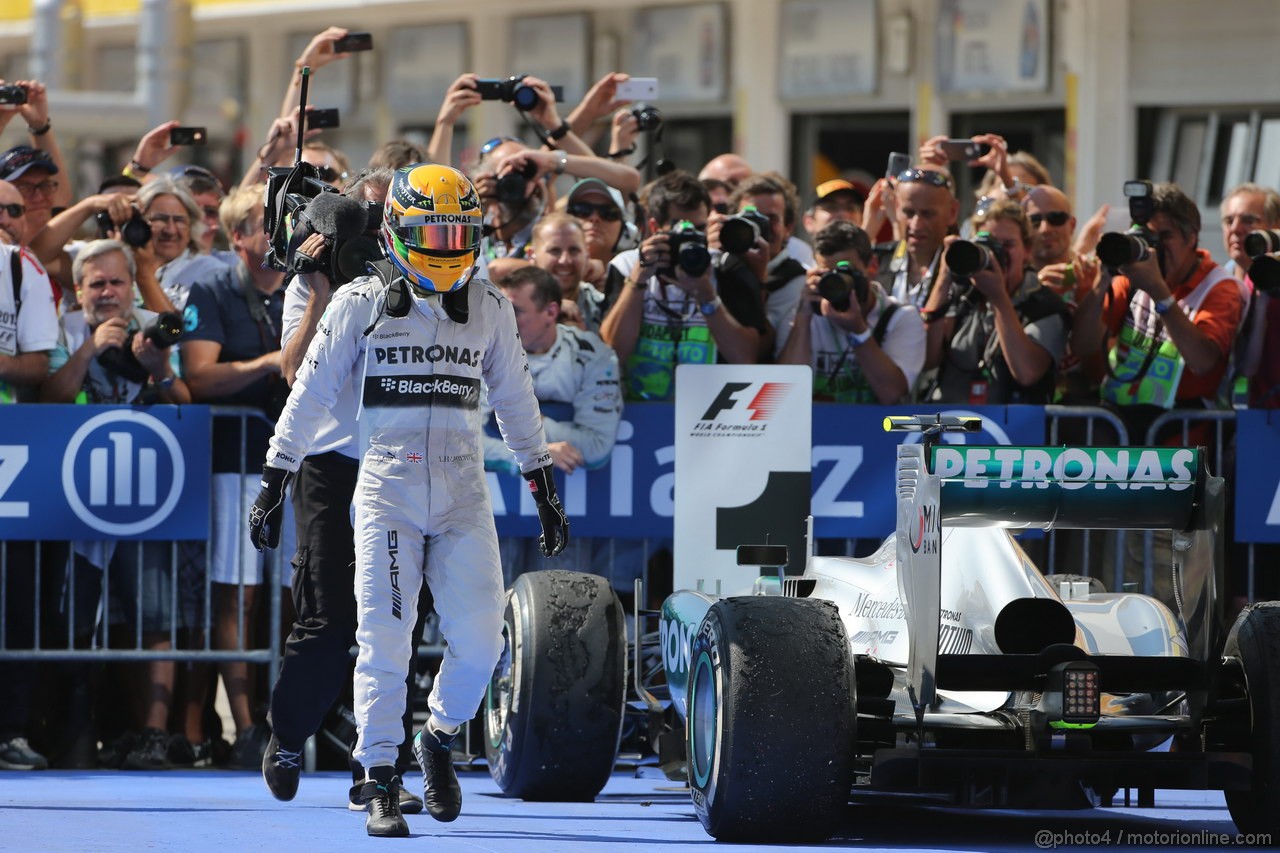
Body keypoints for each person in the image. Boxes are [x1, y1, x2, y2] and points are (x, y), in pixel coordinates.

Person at [248, 164, 568, 838]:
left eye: (460, 231)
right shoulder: (357, 301)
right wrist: (275, 477)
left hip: (462, 490)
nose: (448, 245)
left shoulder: (490, 305)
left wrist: (540, 480)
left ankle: (441, 734)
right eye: (434, 231)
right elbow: (305, 395)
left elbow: (515, 400)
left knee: (483, 640)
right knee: (383, 640)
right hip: (385, 488)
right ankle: (381, 779)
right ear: (396, 228)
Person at [261, 166, 425, 815]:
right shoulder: (310, 282)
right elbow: (294, 368)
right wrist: (328, 286)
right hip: (329, 461)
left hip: (397, 458)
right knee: (328, 618)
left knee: (395, 621)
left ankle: (379, 767)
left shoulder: (420, 278)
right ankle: (287, 733)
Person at [40, 239, 190, 769]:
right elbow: (49, 399)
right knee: (75, 615)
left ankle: (152, 734)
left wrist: (159, 368)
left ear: (132, 286)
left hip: (149, 494)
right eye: (96, 284)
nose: (107, 293)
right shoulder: (61, 327)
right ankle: (75, 727)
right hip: (75, 496)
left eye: (116, 282)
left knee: (153, 613)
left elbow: (188, 405)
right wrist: (88, 349)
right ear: (79, 290)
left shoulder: (160, 324)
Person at [181, 183, 293, 770]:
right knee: (239, 592)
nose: (278, 231)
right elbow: (199, 377)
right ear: (237, 238)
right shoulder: (212, 287)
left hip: (303, 463)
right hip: (238, 462)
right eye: (264, 222)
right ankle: (247, 724)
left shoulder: (309, 286)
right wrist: (272, 363)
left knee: (295, 595)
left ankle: (291, 718)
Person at [1071, 182, 1244, 438]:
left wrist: (1159, 292)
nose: (1155, 248)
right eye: (1148, 237)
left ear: (1192, 237)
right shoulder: (1130, 278)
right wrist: (1102, 282)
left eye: (1165, 236)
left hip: (1180, 441)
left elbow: (1203, 361)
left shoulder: (1219, 287)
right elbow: (1082, 345)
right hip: (1118, 427)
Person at [485, 266, 622, 583]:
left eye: (515, 312)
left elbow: (596, 447)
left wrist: (527, 422)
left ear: (550, 311)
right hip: (491, 507)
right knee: (487, 605)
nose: (502, 322)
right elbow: (465, 438)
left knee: (558, 607)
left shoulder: (592, 355)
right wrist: (537, 451)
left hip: (562, 504)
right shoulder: (481, 347)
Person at [601, 170, 767, 401]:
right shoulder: (628, 266)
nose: (690, 239)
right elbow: (611, 352)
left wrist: (707, 296)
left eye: (698, 230)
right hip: (639, 415)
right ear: (654, 226)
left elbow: (746, 358)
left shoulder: (725, 268)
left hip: (710, 417)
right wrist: (638, 280)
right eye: (680, 229)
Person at [0, 182, 58, 772]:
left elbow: (41, 363)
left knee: (16, 598)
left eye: (15, 209)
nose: (5, 219)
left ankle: (10, 728)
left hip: (12, 459)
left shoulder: (25, 272)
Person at [922, 199, 1069, 404]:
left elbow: (1027, 372)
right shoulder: (962, 295)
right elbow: (926, 358)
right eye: (987, 244)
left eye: (1007, 245)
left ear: (1027, 250)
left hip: (1011, 431)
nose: (995, 253)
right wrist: (945, 275)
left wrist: (999, 298)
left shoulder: (1044, 305)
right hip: (952, 423)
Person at [778, 221, 924, 404]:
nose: (837, 284)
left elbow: (891, 393)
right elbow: (786, 394)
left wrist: (859, 332)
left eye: (844, 272)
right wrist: (804, 315)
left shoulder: (901, 318)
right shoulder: (801, 319)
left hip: (876, 429)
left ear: (872, 266)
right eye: (827, 275)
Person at [878, 166, 959, 311]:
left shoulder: (963, 275)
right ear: (896, 208)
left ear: (952, 212)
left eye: (928, 214)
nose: (916, 225)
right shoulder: (876, 262)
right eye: (908, 213)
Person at [527, 213, 606, 333]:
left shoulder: (603, 307)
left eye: (574, 250)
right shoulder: (510, 307)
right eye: (554, 251)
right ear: (532, 255)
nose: (565, 260)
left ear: (586, 254)